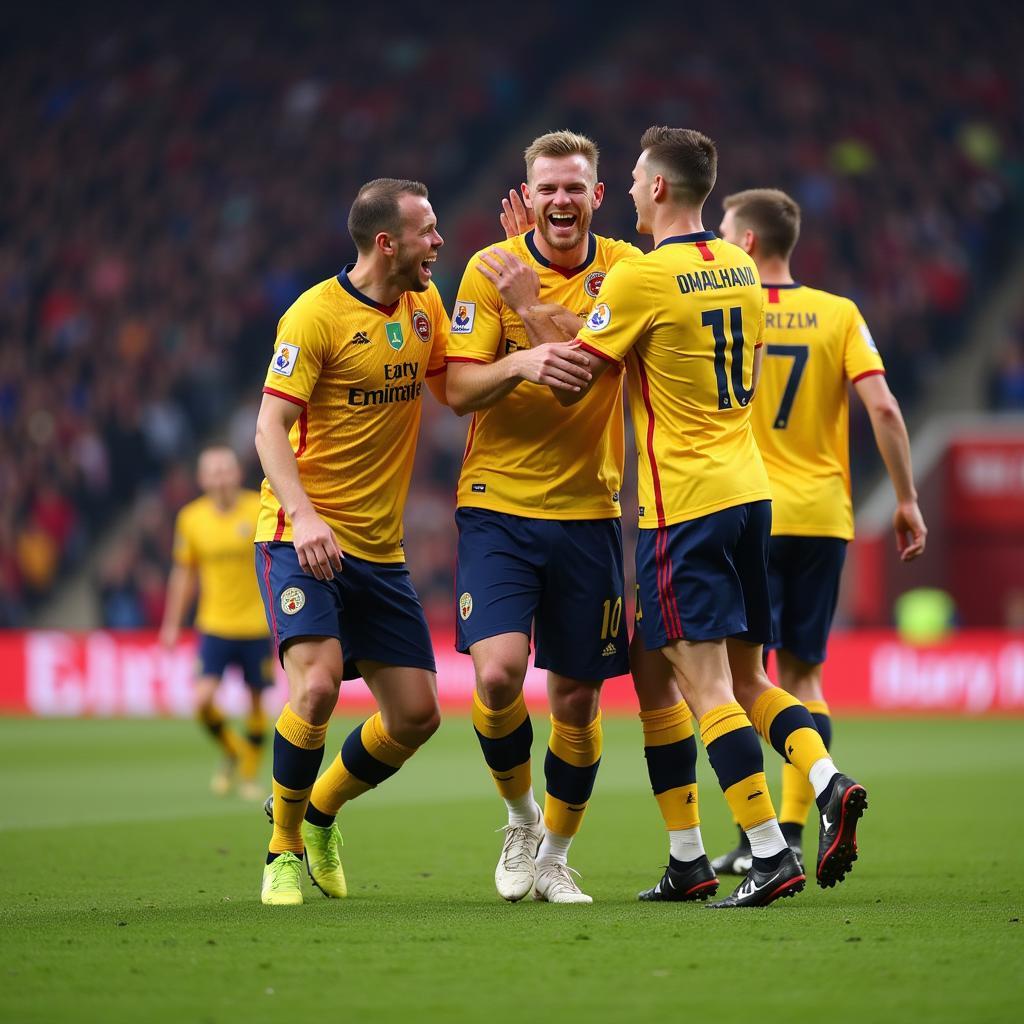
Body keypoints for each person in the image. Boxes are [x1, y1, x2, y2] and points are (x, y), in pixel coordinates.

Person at [556, 126, 869, 908]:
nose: (627, 189)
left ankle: (768, 851)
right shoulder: (738, 266)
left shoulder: (644, 279)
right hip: (751, 494)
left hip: (683, 507)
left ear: (659, 188)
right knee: (739, 675)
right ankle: (814, 787)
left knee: (705, 689)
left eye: (632, 177)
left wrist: (529, 308)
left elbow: (572, 379)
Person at [445, 131, 640, 904]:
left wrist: (529, 310)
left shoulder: (625, 271)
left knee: (578, 701)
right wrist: (518, 358)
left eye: (575, 187)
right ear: (527, 197)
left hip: (589, 506)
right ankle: (521, 821)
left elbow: (583, 378)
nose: (561, 200)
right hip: (496, 502)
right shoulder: (485, 269)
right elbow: (459, 388)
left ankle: (556, 855)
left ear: (597, 196)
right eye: (547, 188)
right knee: (496, 676)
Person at [709, 188, 926, 874]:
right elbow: (884, 409)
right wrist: (906, 499)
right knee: (805, 674)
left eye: (722, 231)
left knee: (746, 678)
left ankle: (759, 835)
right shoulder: (839, 315)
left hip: (748, 511)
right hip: (824, 515)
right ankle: (799, 829)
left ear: (744, 242)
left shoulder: (728, 310)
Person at [253, 178, 448, 906]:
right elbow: (268, 428)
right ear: (385, 242)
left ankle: (318, 811)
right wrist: (304, 516)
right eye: (427, 230)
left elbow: (454, 386)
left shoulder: (426, 306)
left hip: (378, 548)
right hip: (297, 535)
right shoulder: (314, 316)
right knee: (319, 684)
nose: (439, 241)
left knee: (416, 716)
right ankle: (281, 847)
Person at [160, 445, 272, 800]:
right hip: (215, 623)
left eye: (227, 469)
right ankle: (235, 751)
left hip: (256, 624)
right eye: (214, 471)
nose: (221, 477)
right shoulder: (191, 519)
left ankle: (250, 776)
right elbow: (184, 574)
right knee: (202, 700)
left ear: (238, 473)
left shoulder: (259, 508)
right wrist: (172, 623)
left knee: (256, 701)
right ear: (202, 478)